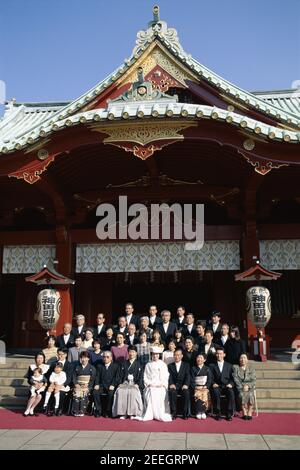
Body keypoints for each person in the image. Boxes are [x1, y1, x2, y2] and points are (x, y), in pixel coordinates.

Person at [140, 345, 172, 422]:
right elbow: (145, 376)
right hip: (151, 385)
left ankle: (159, 413)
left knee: (160, 392)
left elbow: (166, 376)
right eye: (154, 354)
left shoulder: (163, 364)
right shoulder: (148, 364)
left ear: (159, 355)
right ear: (151, 355)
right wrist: (149, 384)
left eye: (157, 354)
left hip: (161, 385)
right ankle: (151, 413)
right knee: (151, 391)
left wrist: (162, 384)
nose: (155, 356)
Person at [112, 345, 144, 419]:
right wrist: (120, 383)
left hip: (134, 384)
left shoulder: (140, 364)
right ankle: (122, 413)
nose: (131, 353)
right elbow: (119, 375)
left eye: (133, 352)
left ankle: (133, 413)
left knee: (132, 392)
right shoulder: (123, 364)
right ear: (128, 352)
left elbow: (141, 376)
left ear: (136, 353)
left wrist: (138, 384)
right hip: (125, 383)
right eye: (130, 352)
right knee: (121, 391)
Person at [209, 347, 235, 421]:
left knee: (231, 392)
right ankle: (218, 413)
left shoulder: (229, 365)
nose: (218, 355)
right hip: (217, 385)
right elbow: (210, 377)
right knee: (215, 391)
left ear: (224, 355)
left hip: (226, 385)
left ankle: (229, 413)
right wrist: (213, 383)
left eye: (220, 354)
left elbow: (232, 378)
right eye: (217, 354)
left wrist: (231, 384)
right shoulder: (212, 365)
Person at [93, 351, 119, 418]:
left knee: (111, 394)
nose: (105, 358)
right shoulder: (99, 366)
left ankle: (108, 411)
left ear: (111, 358)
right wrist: (96, 384)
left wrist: (113, 385)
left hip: (111, 386)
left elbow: (117, 377)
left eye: (107, 357)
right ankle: (98, 410)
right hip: (101, 385)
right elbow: (97, 376)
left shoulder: (115, 366)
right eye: (104, 357)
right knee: (95, 392)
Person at [72, 351, 96, 417]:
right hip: (78, 385)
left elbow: (93, 378)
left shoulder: (92, 368)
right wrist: (76, 384)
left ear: (88, 358)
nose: (83, 359)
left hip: (87, 385)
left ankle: (82, 411)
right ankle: (76, 410)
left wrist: (88, 384)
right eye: (82, 357)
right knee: (76, 394)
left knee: (84, 394)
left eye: (85, 357)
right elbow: (74, 377)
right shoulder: (77, 367)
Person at [168, 348, 190, 420]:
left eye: (178, 355)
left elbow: (187, 376)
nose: (177, 357)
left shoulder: (186, 365)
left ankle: (185, 413)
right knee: (172, 392)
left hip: (183, 386)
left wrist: (186, 384)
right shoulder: (170, 366)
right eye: (175, 355)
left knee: (186, 393)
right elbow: (169, 376)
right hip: (174, 385)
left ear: (182, 356)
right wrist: (171, 383)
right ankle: (174, 412)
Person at [233, 353, 256, 420]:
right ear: (239, 359)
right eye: (241, 358)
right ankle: (244, 411)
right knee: (241, 394)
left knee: (250, 394)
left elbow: (254, 380)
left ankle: (250, 410)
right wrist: (243, 386)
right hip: (240, 387)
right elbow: (235, 379)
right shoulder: (236, 368)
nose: (243, 359)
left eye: (244, 358)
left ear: (247, 360)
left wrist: (248, 386)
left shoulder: (251, 369)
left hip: (250, 387)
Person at [191, 353, 213, 420]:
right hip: (197, 387)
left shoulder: (207, 369)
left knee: (205, 393)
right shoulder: (193, 368)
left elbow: (210, 379)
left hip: (204, 387)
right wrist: (195, 386)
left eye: (201, 358)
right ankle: (198, 411)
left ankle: (203, 411)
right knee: (197, 393)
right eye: (198, 357)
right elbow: (191, 379)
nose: (199, 359)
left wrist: (206, 386)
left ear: (204, 360)